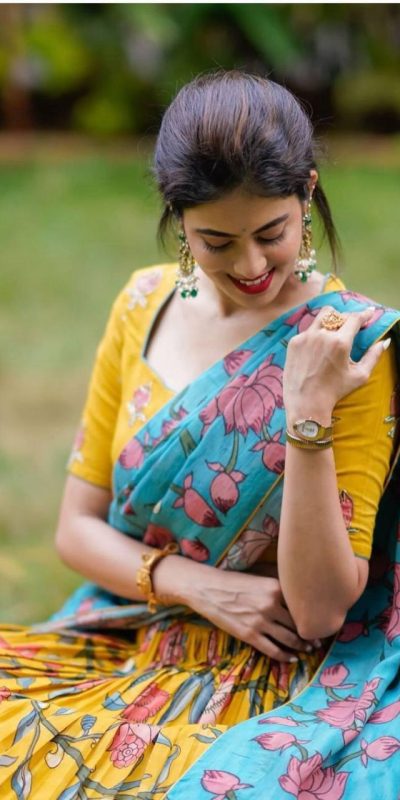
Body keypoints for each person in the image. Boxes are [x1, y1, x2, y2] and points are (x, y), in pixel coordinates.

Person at [0, 70, 399, 799]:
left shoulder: (353, 348)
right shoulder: (142, 304)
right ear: (178, 219)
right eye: (217, 241)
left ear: (307, 195)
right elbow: (76, 529)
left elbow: (319, 610)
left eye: (272, 234)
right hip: (135, 633)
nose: (251, 266)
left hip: (270, 682)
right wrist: (200, 587)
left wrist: (307, 415)